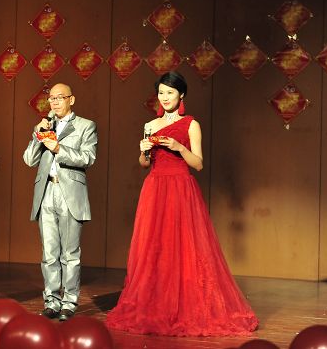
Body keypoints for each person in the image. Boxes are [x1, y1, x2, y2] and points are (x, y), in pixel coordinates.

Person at [105, 71, 258, 336]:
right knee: (154, 247)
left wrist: (178, 147)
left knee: (184, 247)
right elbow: (144, 164)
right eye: (161, 93)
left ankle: (185, 307)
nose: (164, 98)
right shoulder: (150, 124)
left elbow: (198, 164)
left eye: (170, 92)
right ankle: (155, 306)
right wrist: (143, 151)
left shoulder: (191, 124)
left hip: (180, 188)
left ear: (181, 94)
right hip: (155, 188)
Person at [23, 83, 98, 321]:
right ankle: (51, 302)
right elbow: (29, 159)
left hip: (70, 193)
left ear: (71, 100)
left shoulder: (85, 126)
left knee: (70, 254)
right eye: (51, 98)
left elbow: (88, 158)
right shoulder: (45, 126)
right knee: (49, 253)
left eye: (59, 98)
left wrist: (58, 148)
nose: (54, 102)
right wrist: (38, 135)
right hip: (46, 191)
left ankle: (69, 303)